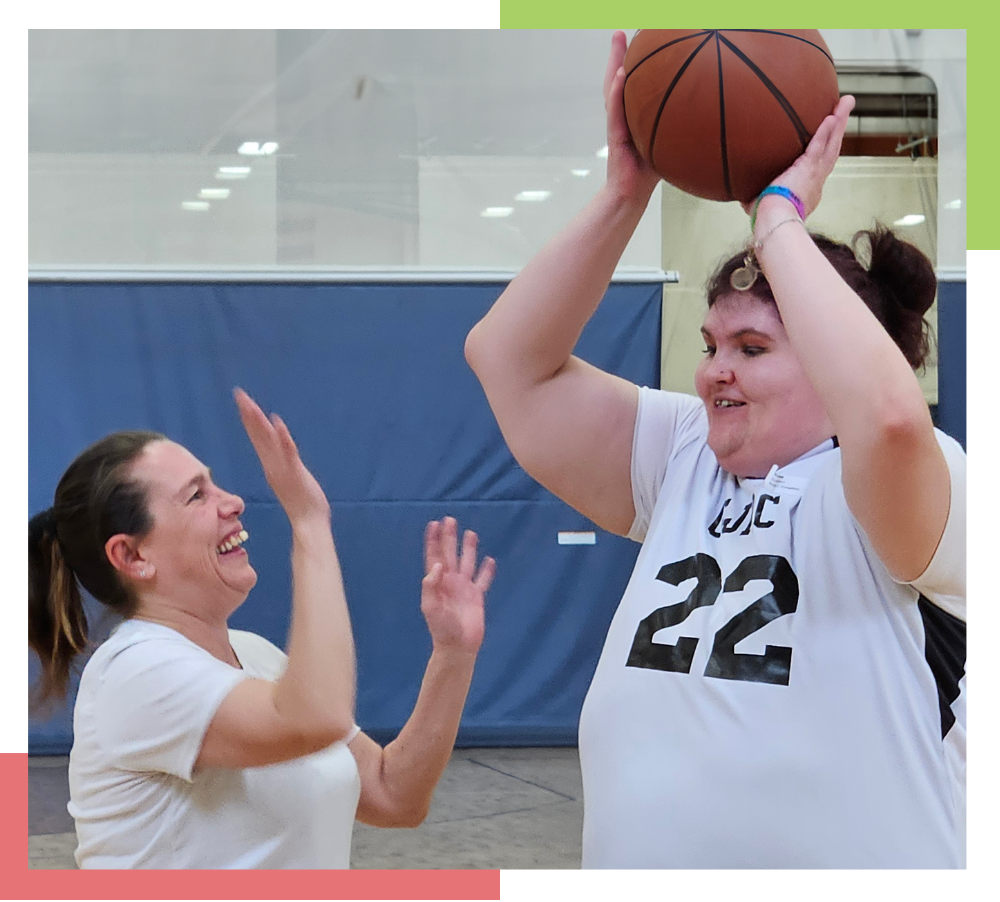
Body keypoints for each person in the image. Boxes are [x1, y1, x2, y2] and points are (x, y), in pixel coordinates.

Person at [464, 31, 966, 869]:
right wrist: (628, 193)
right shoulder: (685, 456)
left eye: (753, 349)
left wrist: (778, 219)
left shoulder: (917, 480)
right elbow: (507, 362)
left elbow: (885, 416)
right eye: (711, 345)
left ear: (836, 353)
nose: (714, 374)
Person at [27, 387, 495, 869]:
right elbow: (316, 719)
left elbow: (393, 795)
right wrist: (309, 521)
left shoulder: (255, 655)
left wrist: (453, 654)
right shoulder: (133, 673)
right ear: (133, 556)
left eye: (214, 484)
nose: (232, 502)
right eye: (196, 495)